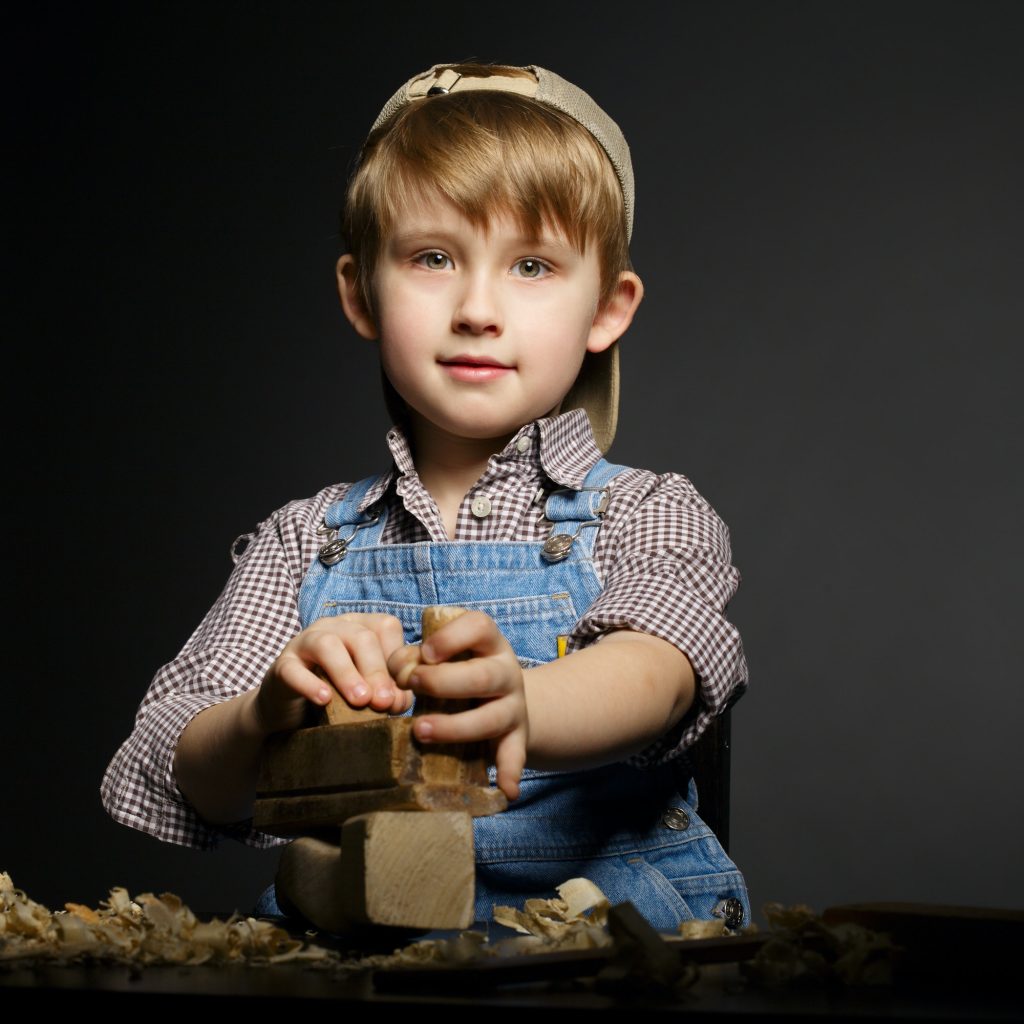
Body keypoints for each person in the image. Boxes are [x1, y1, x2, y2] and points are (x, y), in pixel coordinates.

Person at [101, 62, 751, 933]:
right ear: (359, 291)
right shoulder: (307, 541)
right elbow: (180, 767)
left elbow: (663, 669)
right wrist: (264, 718)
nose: (478, 308)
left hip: (603, 936)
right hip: (357, 937)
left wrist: (527, 701)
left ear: (608, 307)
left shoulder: (648, 512)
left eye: (531, 264)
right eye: (433, 258)